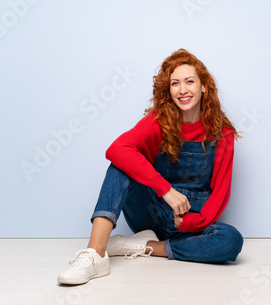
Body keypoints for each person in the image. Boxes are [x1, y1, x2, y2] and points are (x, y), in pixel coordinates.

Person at [57, 49, 244, 285]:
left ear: (204, 86)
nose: (183, 90)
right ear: (169, 90)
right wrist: (166, 190)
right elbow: (116, 149)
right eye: (175, 83)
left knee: (231, 240)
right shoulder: (160, 122)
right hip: (153, 211)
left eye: (189, 82)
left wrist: (190, 222)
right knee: (120, 165)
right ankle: (96, 254)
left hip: (191, 222)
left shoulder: (222, 131)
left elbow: (221, 192)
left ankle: (147, 247)